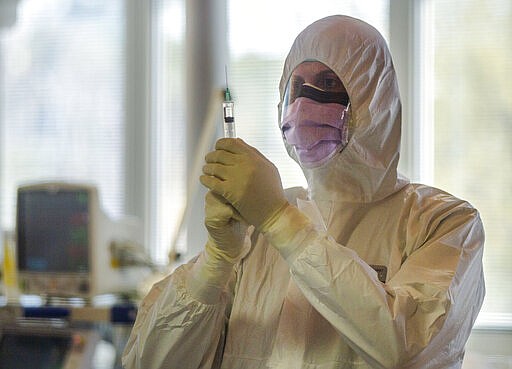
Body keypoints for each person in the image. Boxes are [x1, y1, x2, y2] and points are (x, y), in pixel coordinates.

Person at [122, 15, 485, 369]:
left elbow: (406, 350)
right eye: (296, 86)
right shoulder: (253, 227)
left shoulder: (443, 223)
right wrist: (216, 260)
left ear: (373, 100)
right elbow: (150, 360)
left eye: (328, 83)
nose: (304, 104)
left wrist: (281, 221)